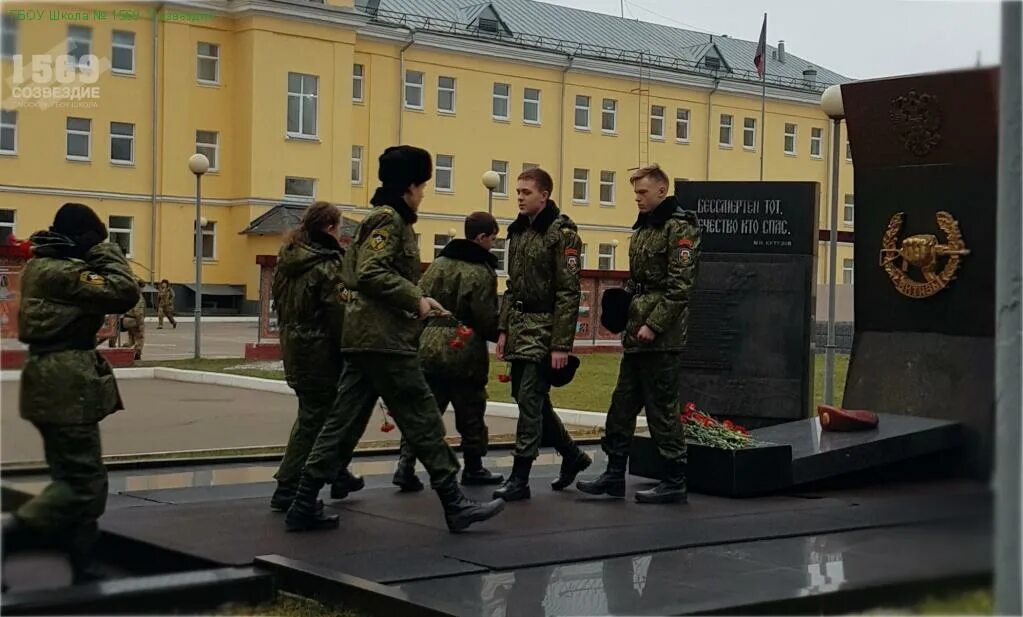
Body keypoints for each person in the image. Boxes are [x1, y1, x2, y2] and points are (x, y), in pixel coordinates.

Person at [285, 145, 505, 533]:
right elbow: (370, 272)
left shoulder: (381, 219)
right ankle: (454, 504)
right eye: (421, 185)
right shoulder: (390, 221)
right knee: (422, 417)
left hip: (365, 337)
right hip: (383, 339)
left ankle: (302, 501)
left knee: (342, 423)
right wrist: (415, 299)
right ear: (408, 186)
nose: (423, 194)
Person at [1, 202, 140, 584]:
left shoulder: (45, 265)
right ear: (81, 240)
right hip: (64, 382)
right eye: (94, 241)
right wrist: (105, 251)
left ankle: (82, 562)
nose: (97, 248)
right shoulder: (62, 271)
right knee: (84, 483)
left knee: (74, 478)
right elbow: (124, 291)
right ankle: (9, 538)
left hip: (55, 379)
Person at [577, 164, 700, 504]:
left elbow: (679, 288)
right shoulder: (645, 228)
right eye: (635, 193)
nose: (638, 199)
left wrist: (654, 325)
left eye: (643, 192)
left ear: (662, 190)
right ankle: (614, 474)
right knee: (621, 405)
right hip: (636, 332)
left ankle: (674, 478)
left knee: (661, 408)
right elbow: (639, 279)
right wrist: (623, 304)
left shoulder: (679, 229)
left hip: (661, 337)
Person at [493, 167, 591, 501]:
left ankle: (520, 477)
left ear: (544, 195)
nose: (519, 197)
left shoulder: (561, 234)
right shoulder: (518, 232)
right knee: (524, 396)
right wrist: (503, 329)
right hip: (521, 326)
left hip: (545, 326)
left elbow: (569, 291)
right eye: (517, 191)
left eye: (526, 192)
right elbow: (511, 287)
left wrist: (561, 343)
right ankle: (573, 455)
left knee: (530, 401)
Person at [392, 211, 504, 491]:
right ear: (481, 237)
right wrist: (502, 334)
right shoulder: (481, 271)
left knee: (425, 411)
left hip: (429, 344)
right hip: (463, 347)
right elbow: (485, 316)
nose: (493, 244)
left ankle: (405, 466)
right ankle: (474, 468)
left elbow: (418, 300)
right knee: (471, 410)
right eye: (492, 238)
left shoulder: (439, 264)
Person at [268, 201, 364, 513]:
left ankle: (336, 472)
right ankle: (289, 485)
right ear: (329, 228)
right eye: (338, 228)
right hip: (321, 352)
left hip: (295, 348)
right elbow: (342, 314)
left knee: (322, 416)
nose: (341, 234)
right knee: (315, 420)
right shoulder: (327, 265)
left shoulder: (289, 259)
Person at [122, 280, 147, 360]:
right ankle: (137, 353)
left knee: (131, 339)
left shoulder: (130, 295)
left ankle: (124, 350)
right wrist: (141, 324)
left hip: (126, 318)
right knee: (140, 337)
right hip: (134, 320)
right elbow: (138, 312)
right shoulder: (139, 297)